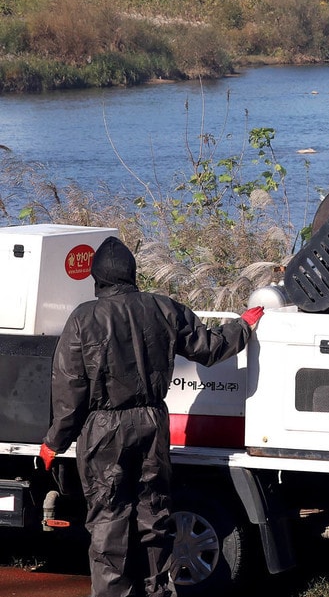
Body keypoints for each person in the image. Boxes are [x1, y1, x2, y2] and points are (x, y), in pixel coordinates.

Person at [39, 236, 264, 597]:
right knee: (154, 513)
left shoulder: (83, 318)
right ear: (132, 274)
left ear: (96, 278)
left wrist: (54, 441)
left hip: (103, 429)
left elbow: (69, 391)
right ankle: (156, 590)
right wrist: (244, 324)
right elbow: (209, 347)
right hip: (152, 424)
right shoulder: (162, 308)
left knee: (109, 519)